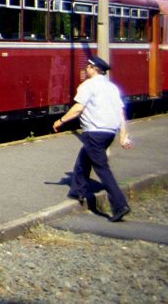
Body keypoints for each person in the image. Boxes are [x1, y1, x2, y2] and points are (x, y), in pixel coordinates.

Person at [52, 55, 133, 222]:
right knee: (84, 159)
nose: (86, 69)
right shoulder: (112, 88)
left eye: (88, 66)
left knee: (102, 169)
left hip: (94, 132)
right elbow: (120, 113)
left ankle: (119, 205)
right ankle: (77, 191)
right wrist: (123, 135)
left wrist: (60, 121)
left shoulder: (88, 86)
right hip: (109, 133)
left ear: (95, 69)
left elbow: (78, 108)